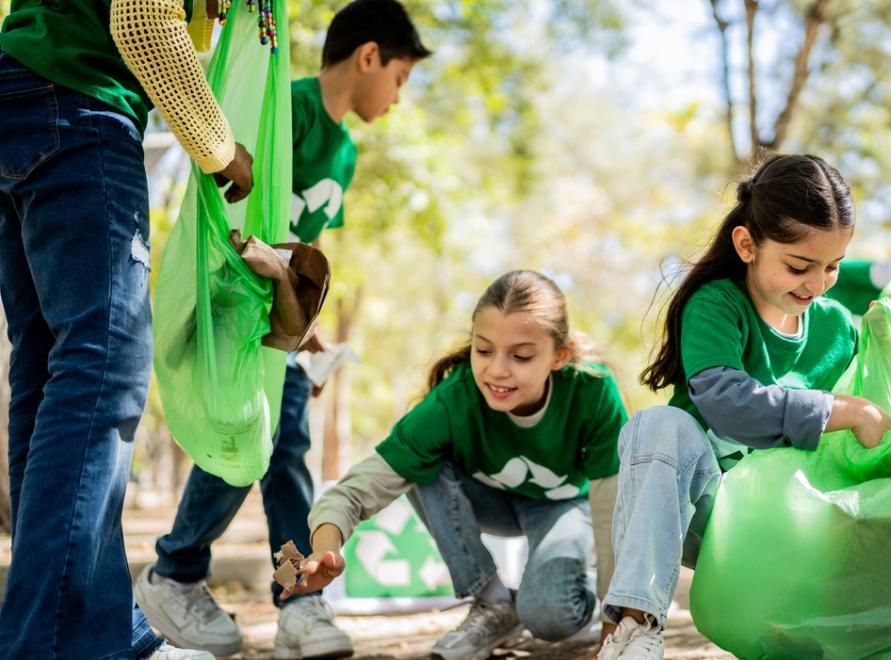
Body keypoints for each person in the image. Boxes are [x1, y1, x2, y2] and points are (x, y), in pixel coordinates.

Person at [131, 1, 431, 657]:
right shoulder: (285, 105)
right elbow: (243, 198)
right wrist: (259, 263)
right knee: (258, 438)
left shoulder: (345, 152)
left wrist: (311, 330)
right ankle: (178, 570)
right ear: (370, 55)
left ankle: (299, 599)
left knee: (285, 448)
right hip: (241, 305)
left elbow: (306, 252)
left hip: (281, 321)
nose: (399, 98)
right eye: (402, 79)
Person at [0, 0, 257, 656]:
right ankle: (53, 643)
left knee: (49, 371)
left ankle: (100, 631)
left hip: (20, 93)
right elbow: (142, 23)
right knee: (102, 364)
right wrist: (221, 150)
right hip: (77, 106)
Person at [595, 154, 891, 659]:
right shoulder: (716, 305)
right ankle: (635, 627)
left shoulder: (837, 330)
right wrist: (840, 410)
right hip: (704, 512)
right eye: (799, 266)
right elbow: (726, 404)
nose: (817, 283)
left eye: (832, 267)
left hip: (784, 526)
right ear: (747, 245)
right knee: (659, 426)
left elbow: (876, 427)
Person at [285, 270, 627, 660]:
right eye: (483, 350)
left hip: (564, 508)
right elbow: (353, 491)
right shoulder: (452, 400)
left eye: (521, 356)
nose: (497, 370)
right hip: (489, 503)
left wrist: (615, 617)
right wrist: (325, 551)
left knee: (550, 617)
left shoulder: (592, 390)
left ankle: (568, 583)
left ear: (559, 355)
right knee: (417, 465)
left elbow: (612, 508)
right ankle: (493, 603)